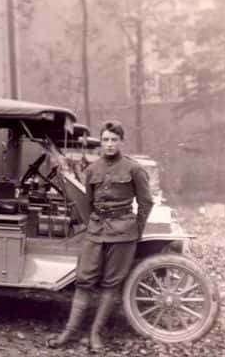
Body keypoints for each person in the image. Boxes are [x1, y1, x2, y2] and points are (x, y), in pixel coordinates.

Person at [47, 120, 154, 350]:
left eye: (114, 140)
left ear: (121, 142)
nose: (109, 144)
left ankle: (95, 335)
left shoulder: (133, 169)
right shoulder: (92, 170)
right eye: (105, 140)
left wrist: (136, 230)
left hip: (123, 232)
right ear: (101, 142)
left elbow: (146, 202)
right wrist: (91, 224)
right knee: (84, 280)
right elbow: (86, 203)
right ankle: (69, 333)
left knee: (110, 285)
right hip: (96, 231)